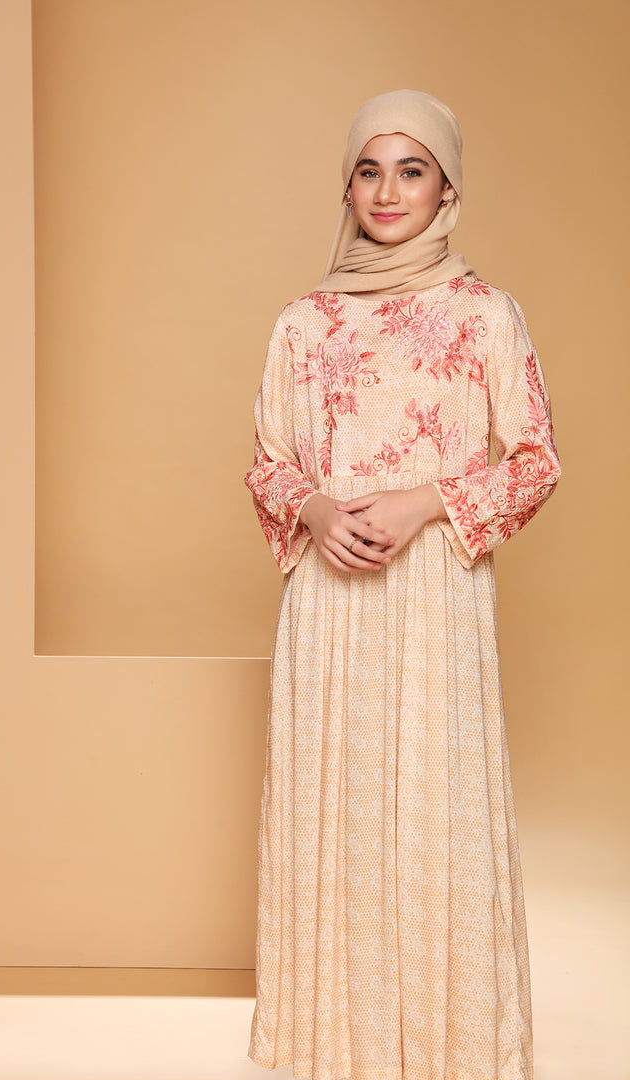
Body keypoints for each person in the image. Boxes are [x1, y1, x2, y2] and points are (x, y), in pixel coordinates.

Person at [244, 89, 560, 1080]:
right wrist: (314, 510)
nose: (388, 191)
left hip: (437, 598)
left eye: (412, 170)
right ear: (346, 187)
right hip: (330, 606)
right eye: (369, 170)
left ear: (447, 189)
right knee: (330, 818)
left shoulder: (486, 316)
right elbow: (268, 464)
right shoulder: (304, 324)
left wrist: (428, 502)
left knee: (436, 815)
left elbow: (536, 462)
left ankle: (449, 1052)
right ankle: (331, 1051)